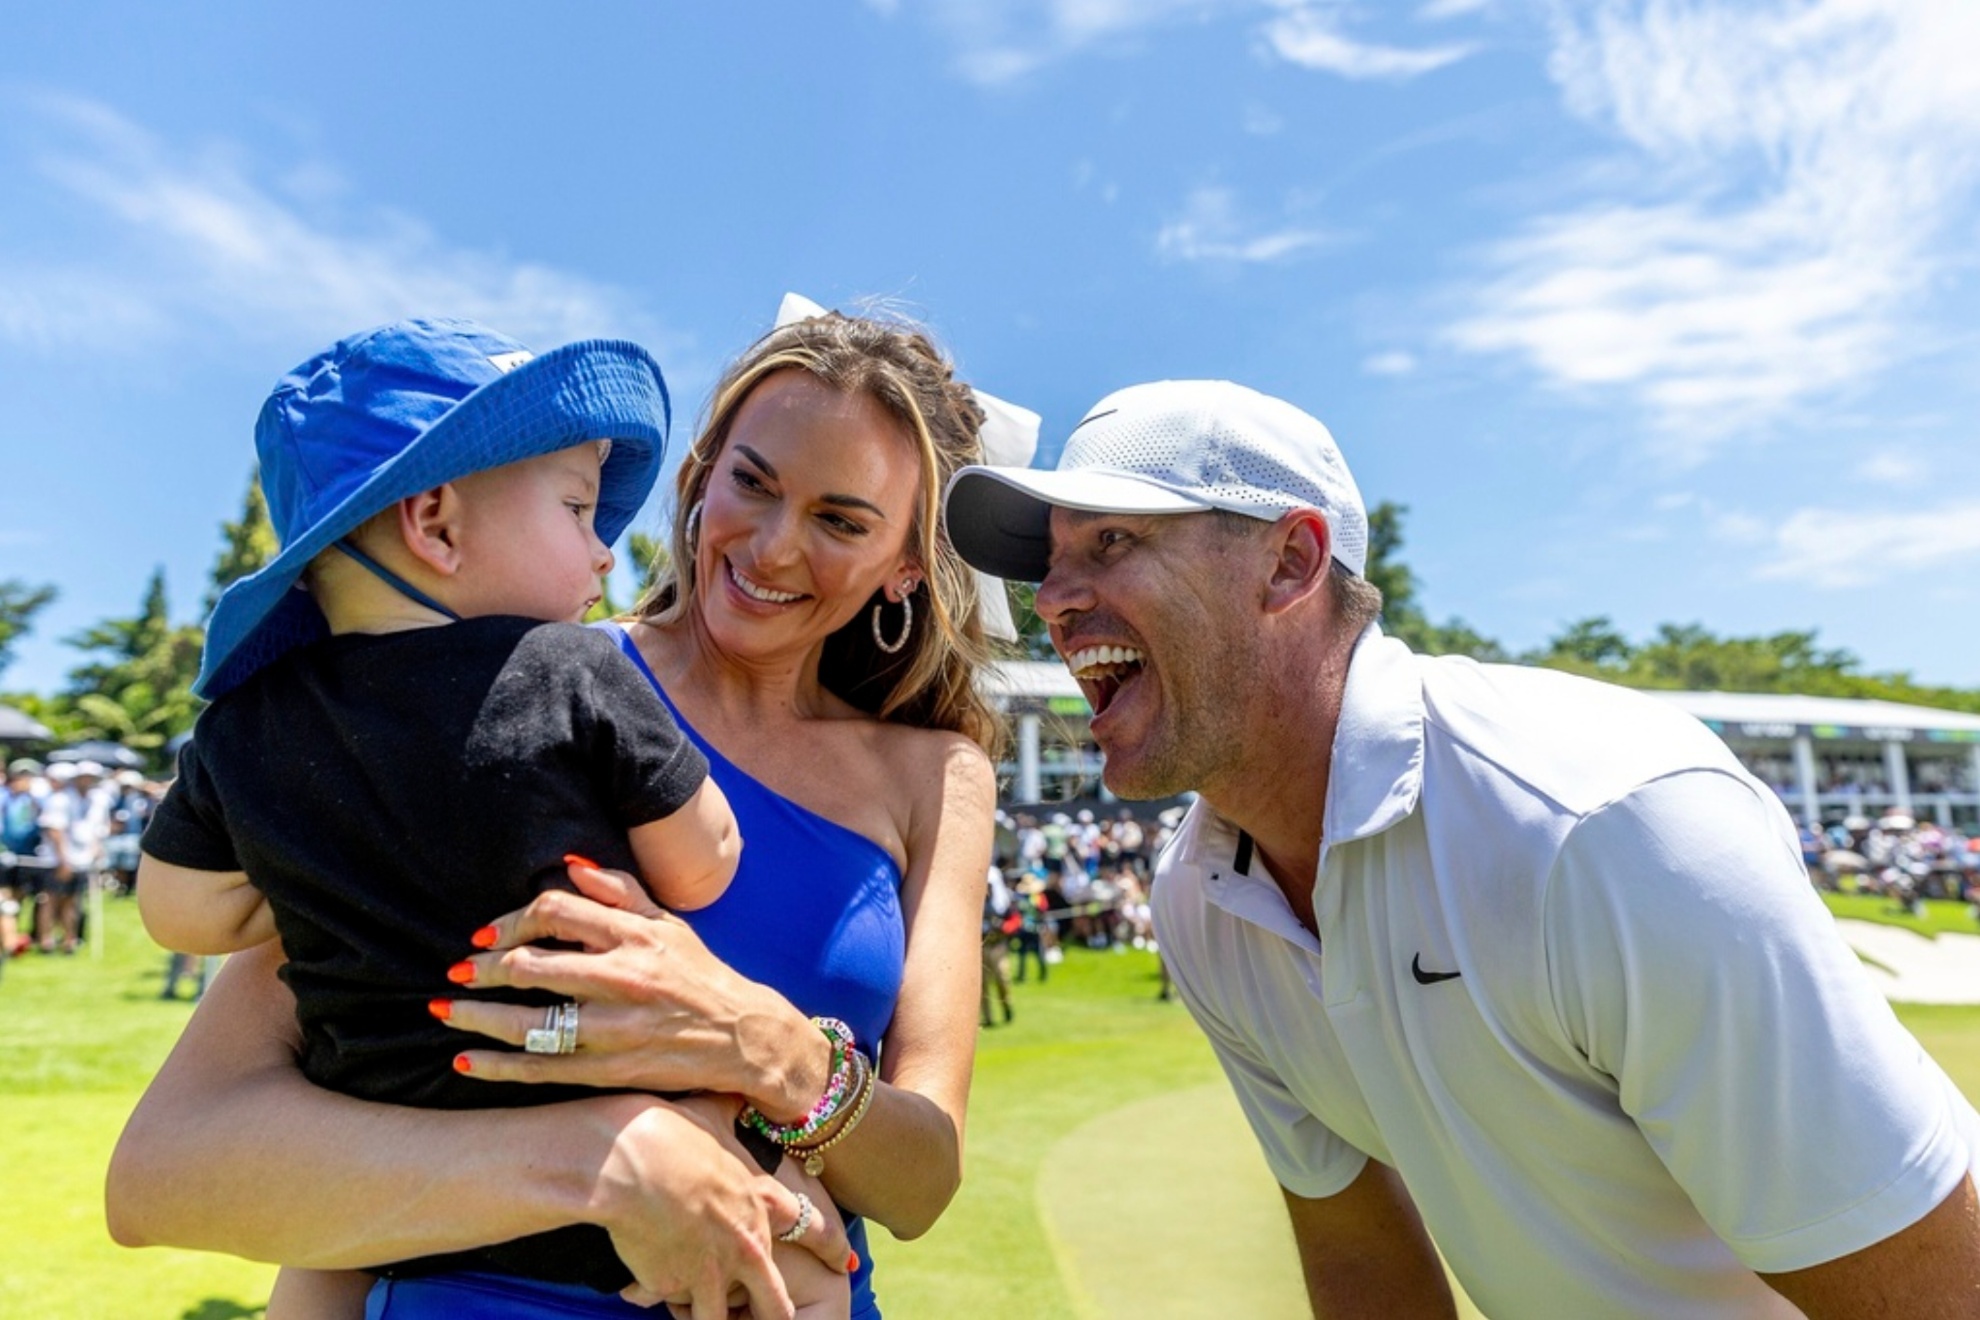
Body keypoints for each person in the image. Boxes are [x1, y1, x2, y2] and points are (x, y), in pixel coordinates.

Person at [943, 379, 1980, 1318]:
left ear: (1291, 562)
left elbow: (1932, 1290)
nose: (1054, 601)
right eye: (1053, 562)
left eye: (1113, 544)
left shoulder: (1602, 824)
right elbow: (1360, 1257)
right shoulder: (1199, 895)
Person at [108, 309, 1003, 1320]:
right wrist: (602, 1158)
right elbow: (166, 1168)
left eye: (842, 521)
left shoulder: (942, 779)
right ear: (702, 476)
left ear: (909, 566)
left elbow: (921, 1183)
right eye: (751, 482)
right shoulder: (512, 686)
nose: (774, 545)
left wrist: (760, 1046)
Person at [134, 318, 746, 1297]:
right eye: (580, 510)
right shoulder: (574, 669)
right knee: (810, 1266)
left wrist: (304, 872)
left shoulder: (244, 729)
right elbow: (704, 861)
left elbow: (178, 912)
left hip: (403, 1221)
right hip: (635, 1198)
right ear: (436, 523)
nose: (602, 555)